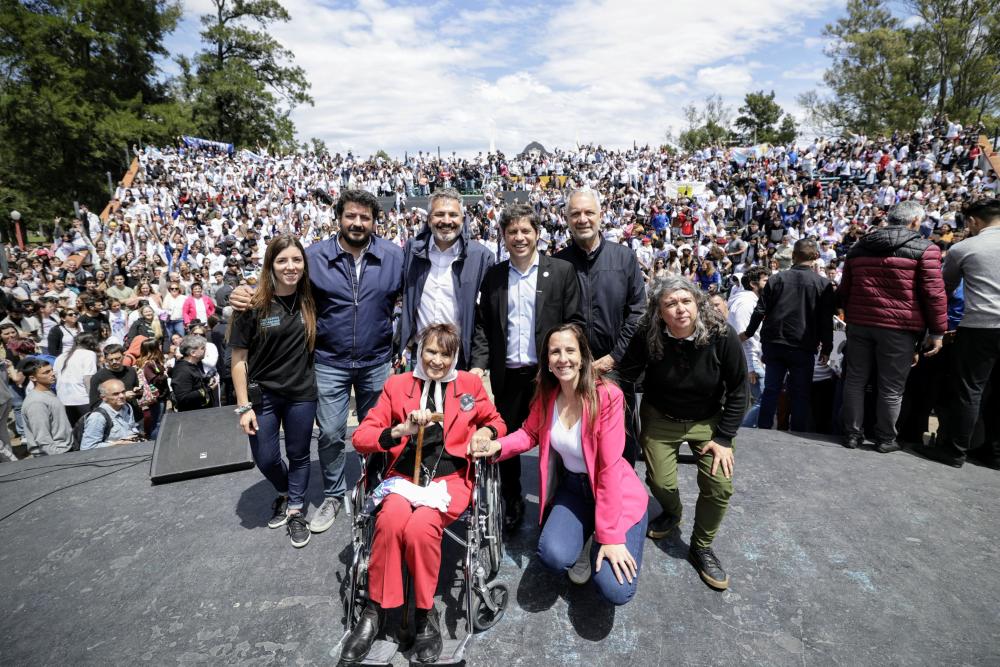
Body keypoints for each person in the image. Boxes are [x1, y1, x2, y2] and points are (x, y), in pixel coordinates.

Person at [230, 189, 403, 535]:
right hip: (329, 362)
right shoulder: (313, 258)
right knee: (331, 433)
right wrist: (243, 291)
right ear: (338, 218)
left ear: (375, 221)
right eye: (350, 216)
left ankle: (377, 487)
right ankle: (334, 495)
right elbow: (281, 281)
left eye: (365, 217)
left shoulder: (395, 256)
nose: (357, 222)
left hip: (376, 361)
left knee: (379, 431)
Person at [342, 323, 505, 665]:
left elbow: (496, 421)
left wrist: (485, 433)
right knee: (390, 520)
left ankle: (423, 611)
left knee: (420, 527)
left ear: (454, 356)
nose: (437, 360)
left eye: (445, 354)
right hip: (404, 476)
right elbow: (361, 437)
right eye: (430, 351)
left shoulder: (469, 385)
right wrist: (400, 430)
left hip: (450, 480)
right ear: (419, 351)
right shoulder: (398, 385)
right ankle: (375, 611)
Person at [474, 323, 648, 604]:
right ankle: (588, 534)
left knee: (615, 589)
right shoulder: (548, 395)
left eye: (570, 350)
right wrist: (497, 446)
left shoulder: (607, 396)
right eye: (555, 352)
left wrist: (611, 536)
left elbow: (607, 470)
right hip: (573, 489)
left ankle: (601, 533)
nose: (563, 358)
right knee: (552, 556)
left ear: (583, 357)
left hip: (615, 492)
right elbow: (529, 433)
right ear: (547, 360)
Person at [619, 276, 747, 590]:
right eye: (671, 304)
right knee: (660, 482)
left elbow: (739, 390)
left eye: (686, 301)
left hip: (708, 419)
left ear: (697, 304)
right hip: (661, 416)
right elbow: (626, 374)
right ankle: (672, 512)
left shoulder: (721, 335)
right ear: (659, 311)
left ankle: (701, 546)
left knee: (719, 485)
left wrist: (724, 438)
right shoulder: (648, 333)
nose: (680, 309)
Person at [471, 203, 583, 531]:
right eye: (512, 232)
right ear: (503, 236)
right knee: (507, 439)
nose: (519, 237)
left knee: (555, 440)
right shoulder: (494, 276)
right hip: (507, 377)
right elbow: (483, 326)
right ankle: (513, 499)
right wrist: (478, 366)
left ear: (537, 233)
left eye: (525, 231)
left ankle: (559, 504)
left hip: (547, 376)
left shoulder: (561, 272)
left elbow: (574, 321)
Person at [229, 235, 318, 548]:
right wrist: (243, 406)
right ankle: (285, 492)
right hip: (263, 397)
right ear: (270, 264)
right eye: (282, 260)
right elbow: (238, 359)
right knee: (266, 459)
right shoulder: (251, 305)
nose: (290, 267)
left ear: (304, 264)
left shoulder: (311, 300)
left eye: (296, 260)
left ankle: (295, 510)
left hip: (301, 394)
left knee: (299, 455)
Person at [837, 200, 947, 451]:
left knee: (855, 380)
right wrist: (938, 331)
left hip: (860, 323)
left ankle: (852, 434)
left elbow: (845, 289)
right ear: (915, 221)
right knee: (892, 387)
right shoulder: (926, 249)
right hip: (900, 328)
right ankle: (885, 439)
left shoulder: (859, 246)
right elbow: (934, 294)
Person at [555, 190, 646, 466]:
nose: (582, 219)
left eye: (589, 212)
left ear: (601, 215)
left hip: (616, 366)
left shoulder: (624, 258)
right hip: (572, 366)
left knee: (620, 439)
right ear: (566, 219)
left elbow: (637, 311)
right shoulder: (558, 262)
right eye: (575, 214)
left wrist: (613, 357)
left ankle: (621, 490)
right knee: (573, 436)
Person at [916, 198, 1000, 468]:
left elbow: (944, 289)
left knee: (969, 390)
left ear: (973, 221)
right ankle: (994, 454)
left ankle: (955, 450)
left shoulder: (965, 248)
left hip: (980, 327)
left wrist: (936, 330)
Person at [741, 239, 834, 432]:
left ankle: (764, 428)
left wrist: (748, 333)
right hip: (803, 345)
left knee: (771, 389)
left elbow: (760, 310)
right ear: (816, 257)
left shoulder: (777, 279)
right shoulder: (822, 284)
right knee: (800, 393)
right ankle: (797, 431)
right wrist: (827, 347)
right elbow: (826, 320)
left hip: (776, 342)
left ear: (793, 256)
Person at [398, 188, 494, 369]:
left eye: (453, 215)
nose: (447, 221)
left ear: (463, 219)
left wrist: (478, 363)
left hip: (460, 357)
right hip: (420, 355)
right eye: (439, 214)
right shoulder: (412, 250)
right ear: (429, 219)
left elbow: (484, 318)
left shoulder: (481, 256)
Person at [727, 267, 770, 427]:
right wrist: (750, 366)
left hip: (754, 360)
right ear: (753, 284)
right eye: (765, 281)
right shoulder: (745, 303)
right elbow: (742, 337)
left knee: (763, 400)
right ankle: (744, 432)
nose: (769, 284)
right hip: (751, 361)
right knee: (764, 400)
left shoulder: (752, 301)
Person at [21, 358, 74, 456]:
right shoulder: (36, 403)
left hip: (64, 449)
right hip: (56, 454)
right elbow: (43, 438)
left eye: (51, 370)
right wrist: (58, 457)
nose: (52, 374)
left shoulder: (47, 392)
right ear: (33, 378)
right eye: (46, 372)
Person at [80, 379, 145, 449]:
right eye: (116, 394)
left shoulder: (127, 407)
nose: (122, 396)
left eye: (123, 392)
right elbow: (87, 447)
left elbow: (131, 428)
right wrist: (116, 444)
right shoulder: (98, 417)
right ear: (104, 398)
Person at [54, 332, 100, 425]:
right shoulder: (89, 354)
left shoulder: (62, 356)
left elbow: (55, 376)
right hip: (83, 399)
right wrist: (93, 400)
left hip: (63, 400)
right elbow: (88, 379)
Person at [169, 334, 219, 411]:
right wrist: (208, 389)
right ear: (193, 353)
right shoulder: (182, 371)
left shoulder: (193, 365)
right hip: (192, 415)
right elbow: (183, 397)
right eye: (202, 348)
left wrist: (206, 382)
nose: (205, 350)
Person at [137, 338, 169, 438]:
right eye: (158, 346)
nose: (161, 347)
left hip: (161, 396)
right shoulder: (149, 364)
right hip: (156, 398)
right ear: (154, 349)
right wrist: (166, 374)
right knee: (158, 423)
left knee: (160, 421)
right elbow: (154, 380)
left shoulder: (154, 362)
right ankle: (154, 442)